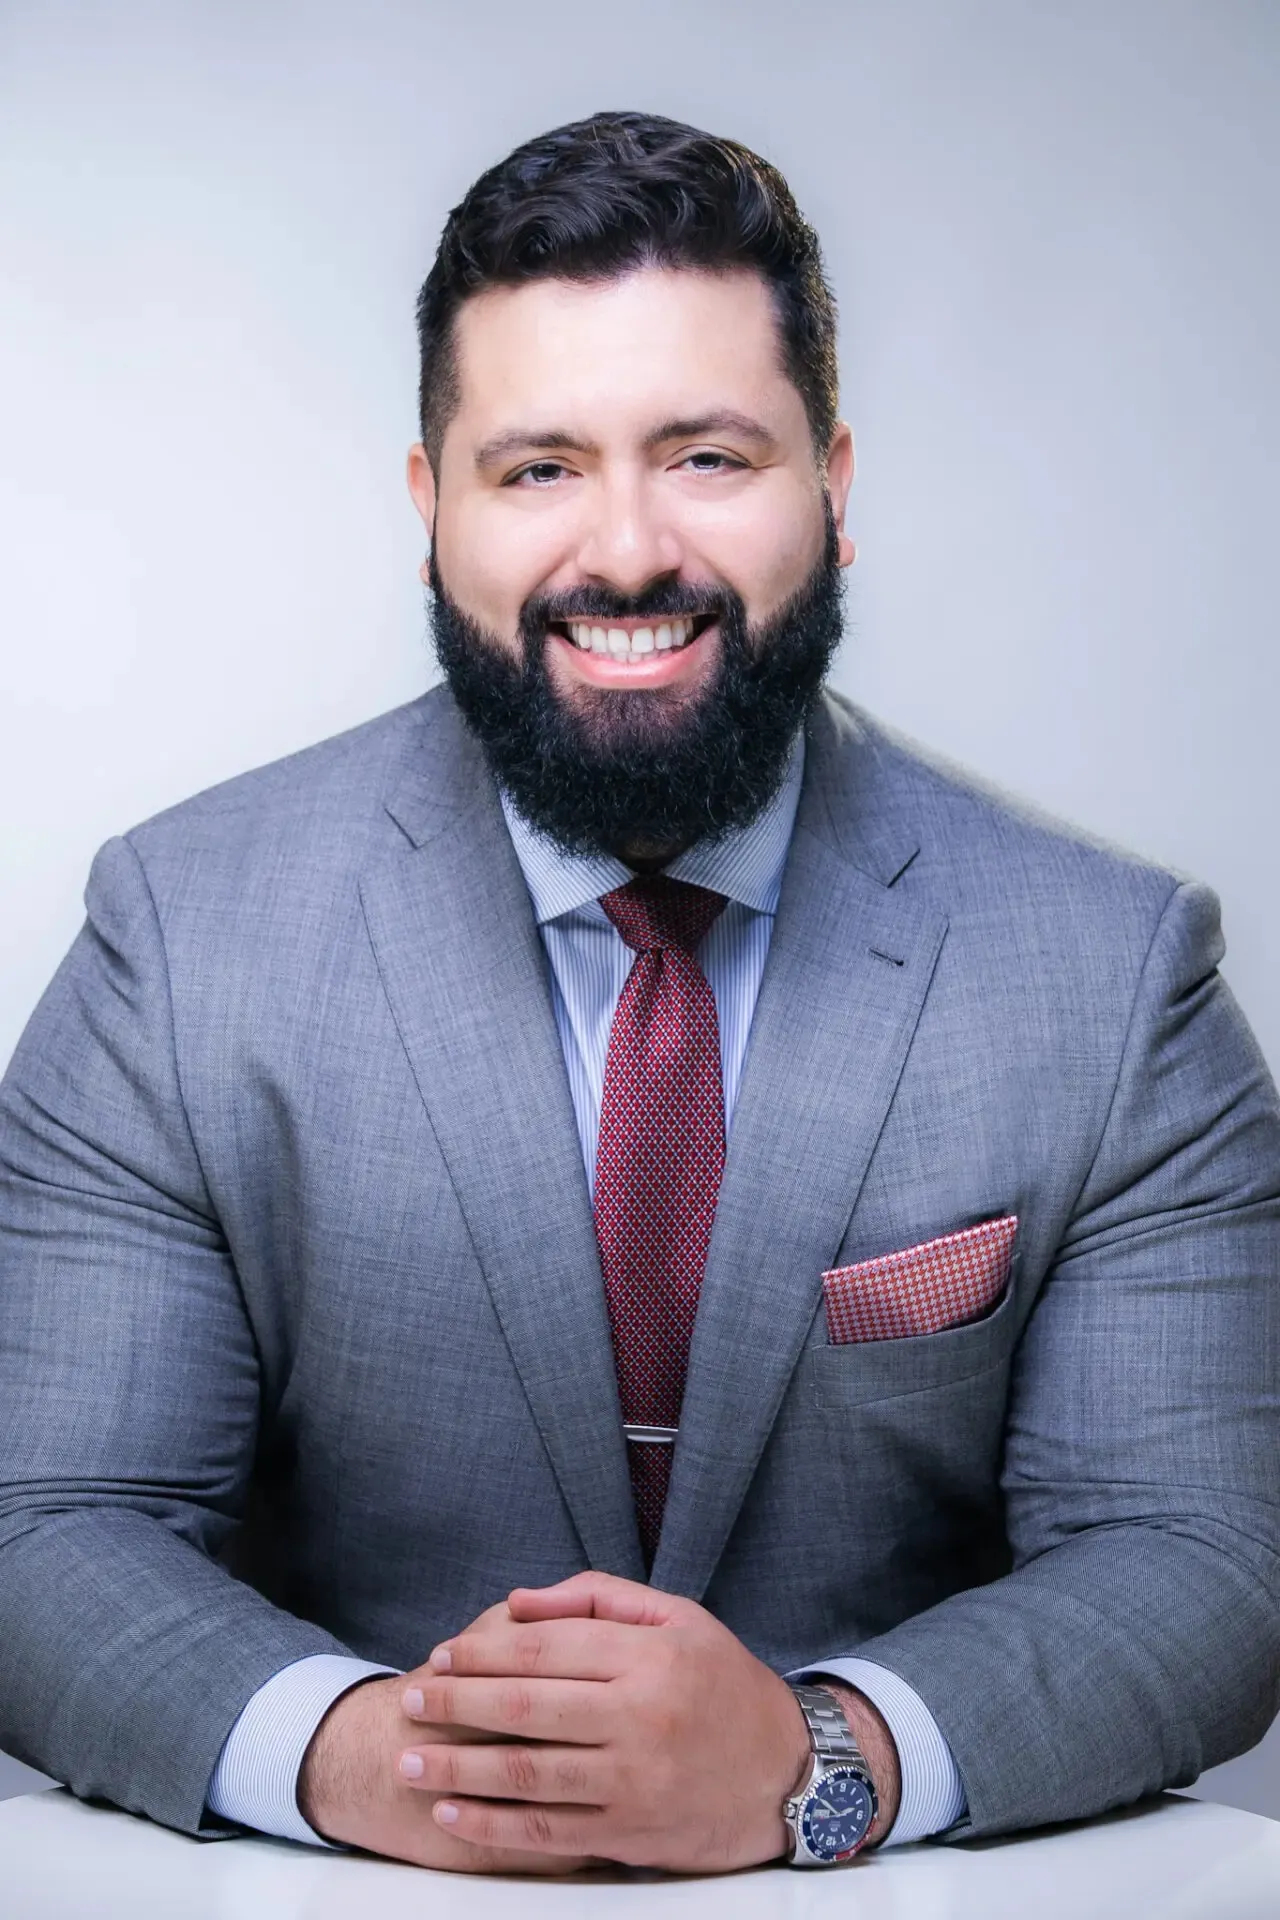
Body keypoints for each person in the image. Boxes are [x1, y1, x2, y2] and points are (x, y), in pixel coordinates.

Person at [0, 110, 1277, 1878]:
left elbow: (1203, 1558)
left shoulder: (1116, 978)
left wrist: (822, 1761)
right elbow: (47, 1523)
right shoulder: (176, 941)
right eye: (536, 468)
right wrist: (390, 1763)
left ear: (834, 483)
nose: (623, 553)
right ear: (428, 503)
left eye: (707, 455)